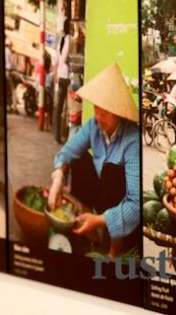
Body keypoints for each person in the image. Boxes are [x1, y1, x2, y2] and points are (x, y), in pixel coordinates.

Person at [48, 63, 139, 257]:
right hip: (100, 194)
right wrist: (58, 179)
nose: (98, 116)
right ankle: (90, 228)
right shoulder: (93, 126)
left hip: (121, 205)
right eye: (96, 108)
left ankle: (115, 249)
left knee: (111, 171)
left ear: (119, 112)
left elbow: (135, 204)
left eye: (105, 111)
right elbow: (67, 152)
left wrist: (100, 220)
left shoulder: (132, 139)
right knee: (78, 159)